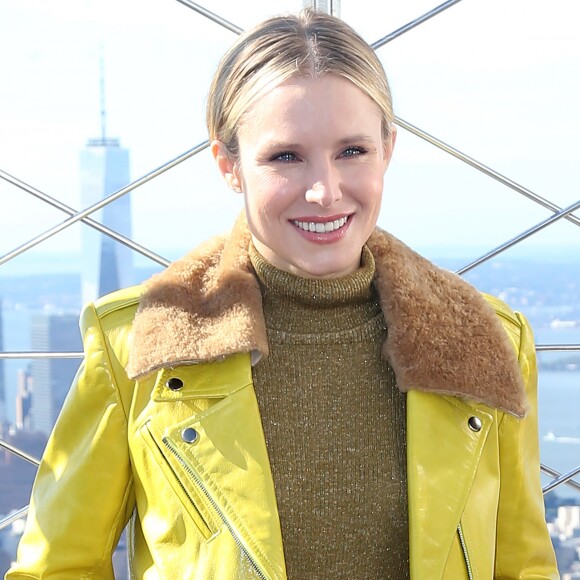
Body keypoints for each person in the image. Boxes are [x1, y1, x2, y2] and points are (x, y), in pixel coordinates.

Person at [7, 9, 558, 580]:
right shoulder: (138, 343)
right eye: (285, 156)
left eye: (353, 151)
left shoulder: (489, 341)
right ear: (229, 165)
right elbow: (57, 566)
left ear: (388, 150)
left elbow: (523, 569)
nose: (325, 190)